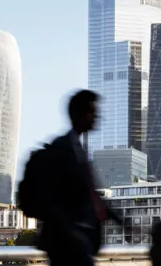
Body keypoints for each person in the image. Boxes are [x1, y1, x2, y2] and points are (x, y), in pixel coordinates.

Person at [37, 90, 122, 266]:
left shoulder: (78, 149)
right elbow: (51, 197)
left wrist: (120, 221)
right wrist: (69, 233)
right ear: (77, 114)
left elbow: (92, 195)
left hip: (76, 241)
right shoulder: (61, 148)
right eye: (92, 111)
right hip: (67, 243)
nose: (96, 116)